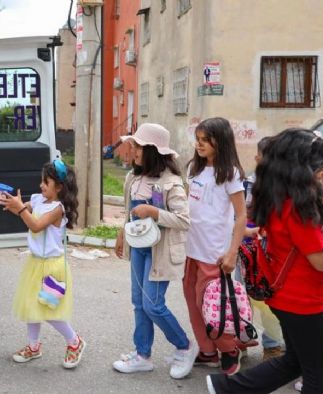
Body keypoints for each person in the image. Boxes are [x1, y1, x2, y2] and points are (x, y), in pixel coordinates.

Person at [205, 128, 323, 393]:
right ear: (300, 168)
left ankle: (226, 387)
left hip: (288, 298)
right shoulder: (298, 207)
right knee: (319, 376)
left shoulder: (284, 199)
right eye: (320, 166)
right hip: (302, 302)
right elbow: (320, 259)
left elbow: (318, 242)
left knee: (294, 362)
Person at [112, 123, 197, 379]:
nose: (133, 150)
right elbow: (129, 211)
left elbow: (184, 220)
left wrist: (154, 212)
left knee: (153, 305)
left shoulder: (171, 183)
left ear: (151, 150)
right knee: (139, 303)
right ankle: (143, 355)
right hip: (139, 249)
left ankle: (185, 346)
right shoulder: (132, 178)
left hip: (160, 253)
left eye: (137, 146)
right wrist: (121, 233)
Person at [0, 159, 86, 369]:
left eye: (46, 182)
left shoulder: (58, 208)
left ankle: (75, 342)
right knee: (31, 306)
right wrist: (13, 203)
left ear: (59, 187)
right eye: (41, 181)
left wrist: (20, 209)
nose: (41, 185)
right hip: (35, 263)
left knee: (49, 310)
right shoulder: (39, 199)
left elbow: (36, 225)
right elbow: (26, 209)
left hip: (52, 266)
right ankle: (33, 346)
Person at [184, 117, 247, 375]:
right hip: (192, 250)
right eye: (197, 140)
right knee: (192, 301)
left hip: (214, 254)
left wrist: (232, 252)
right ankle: (208, 350)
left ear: (219, 142)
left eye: (205, 141)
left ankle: (229, 349)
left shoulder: (230, 173)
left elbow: (241, 215)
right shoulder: (193, 169)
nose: (199, 145)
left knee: (211, 305)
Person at [241, 136, 285, 361]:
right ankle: (243, 340)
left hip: (273, 249)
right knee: (245, 295)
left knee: (270, 297)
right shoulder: (249, 183)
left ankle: (272, 344)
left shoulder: (285, 187)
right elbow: (243, 213)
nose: (259, 158)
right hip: (249, 246)